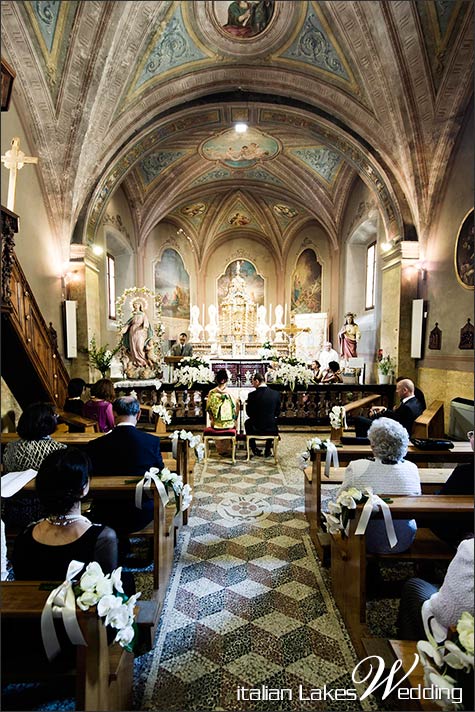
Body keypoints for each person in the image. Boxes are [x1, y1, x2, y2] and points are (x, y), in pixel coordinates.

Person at [12, 448, 118, 580]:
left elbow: (21, 579)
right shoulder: (103, 538)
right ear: (83, 489)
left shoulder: (25, 535)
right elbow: (107, 589)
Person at [86, 396, 165, 558]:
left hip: (105, 513)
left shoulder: (96, 445)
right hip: (141, 513)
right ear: (138, 414)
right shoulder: (151, 442)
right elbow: (160, 472)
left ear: (114, 413)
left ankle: (119, 546)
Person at [331, 418, 421, 554]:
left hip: (364, 538)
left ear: (373, 445)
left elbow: (340, 500)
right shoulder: (412, 468)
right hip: (403, 538)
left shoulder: (357, 467)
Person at [2, 402, 67, 532]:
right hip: (46, 512)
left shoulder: (10, 447)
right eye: (55, 416)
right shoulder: (58, 449)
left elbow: (7, 475)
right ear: (48, 422)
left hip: (14, 509)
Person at [397, 537, 474, 642]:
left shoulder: (470, 549)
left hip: (459, 642)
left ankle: (410, 652)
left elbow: (448, 616)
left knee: (413, 587)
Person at [354, 378, 424, 437]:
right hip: (397, 429)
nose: (396, 391)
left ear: (405, 390)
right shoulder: (416, 402)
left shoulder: (407, 407)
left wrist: (379, 416)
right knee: (369, 419)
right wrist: (385, 410)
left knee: (359, 420)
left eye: (398, 389)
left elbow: (395, 422)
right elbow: (398, 417)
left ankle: (364, 442)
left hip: (395, 434)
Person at [245, 373, 281, 457]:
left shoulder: (252, 395)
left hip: (255, 428)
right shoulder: (275, 394)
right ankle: (268, 449)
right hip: (270, 428)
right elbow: (277, 412)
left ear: (257, 381)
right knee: (272, 421)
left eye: (253, 382)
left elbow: (249, 413)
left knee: (247, 423)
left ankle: (254, 449)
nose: (252, 384)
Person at [206, 369, 239, 454]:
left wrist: (212, 418)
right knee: (233, 423)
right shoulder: (231, 392)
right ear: (226, 380)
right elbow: (237, 407)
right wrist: (235, 419)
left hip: (216, 424)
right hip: (229, 424)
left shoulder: (212, 392)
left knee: (214, 423)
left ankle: (220, 450)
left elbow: (208, 408)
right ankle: (227, 449)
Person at [121, 298, 154, 367]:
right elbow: (128, 324)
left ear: (140, 305)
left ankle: (143, 362)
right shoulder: (133, 316)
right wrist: (123, 330)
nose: (135, 305)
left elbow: (146, 322)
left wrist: (145, 327)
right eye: (134, 304)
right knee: (133, 347)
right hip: (132, 333)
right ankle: (135, 363)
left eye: (137, 304)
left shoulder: (143, 314)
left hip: (140, 332)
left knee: (139, 346)